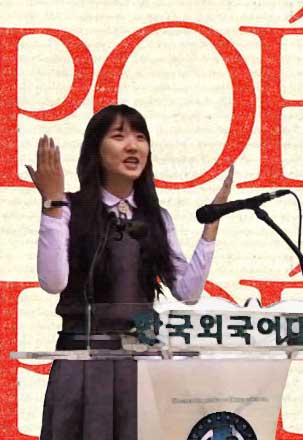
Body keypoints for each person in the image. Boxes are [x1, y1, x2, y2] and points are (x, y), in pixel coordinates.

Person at [26, 104, 233, 440]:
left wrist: (211, 226)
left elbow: (187, 291)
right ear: (96, 148)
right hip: (83, 360)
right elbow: (53, 281)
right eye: (119, 136)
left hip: (140, 361)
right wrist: (52, 203)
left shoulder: (156, 217)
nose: (133, 146)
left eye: (140, 137)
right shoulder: (69, 208)